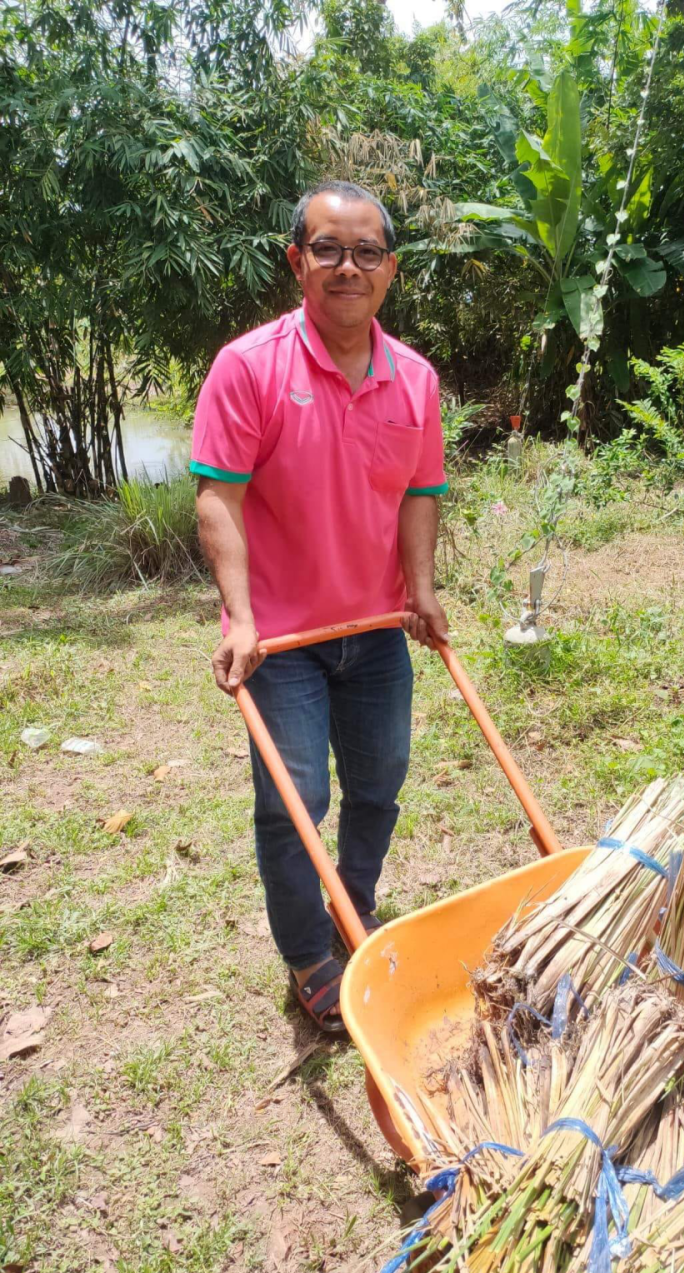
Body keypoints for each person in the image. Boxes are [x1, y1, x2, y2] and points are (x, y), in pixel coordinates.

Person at [190, 180, 449, 1033]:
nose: (348, 267)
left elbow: (419, 492)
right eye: (329, 250)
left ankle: (355, 907)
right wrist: (241, 618)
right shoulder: (249, 367)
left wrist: (422, 591)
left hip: (374, 630)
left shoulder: (415, 379)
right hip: (284, 638)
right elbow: (218, 498)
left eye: (366, 251)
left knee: (379, 784)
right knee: (294, 798)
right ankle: (309, 955)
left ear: (390, 270)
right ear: (298, 261)